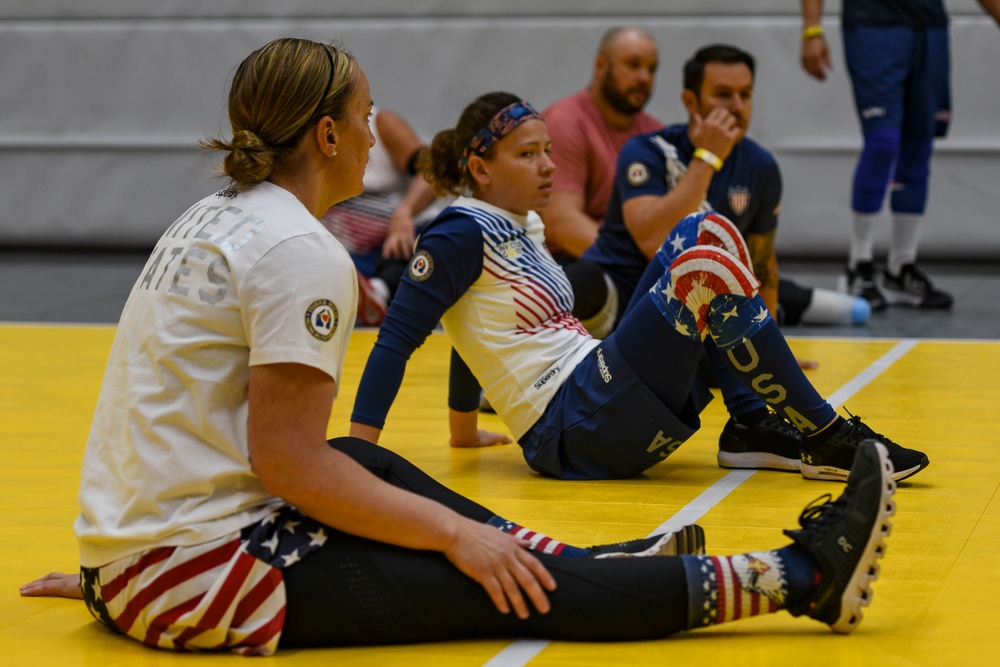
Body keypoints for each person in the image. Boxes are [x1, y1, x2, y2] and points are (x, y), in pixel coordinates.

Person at [18, 38, 903, 653]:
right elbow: (289, 465)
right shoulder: (299, 250)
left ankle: (600, 559)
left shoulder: (214, 216)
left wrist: (114, 558)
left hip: (149, 556)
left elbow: (169, 413)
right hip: (204, 574)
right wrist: (456, 535)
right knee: (505, 585)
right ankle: (796, 575)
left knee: (384, 472)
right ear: (327, 135)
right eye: (366, 118)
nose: (379, 136)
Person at [348, 91, 928, 486]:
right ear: (480, 169)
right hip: (573, 427)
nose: (549, 165)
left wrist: (463, 428)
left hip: (595, 390)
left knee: (706, 228)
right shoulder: (455, 235)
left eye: (549, 151)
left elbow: (474, 325)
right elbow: (395, 342)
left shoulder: (519, 223)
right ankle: (827, 437)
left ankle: (751, 422)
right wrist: (360, 459)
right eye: (528, 155)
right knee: (702, 269)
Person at [580, 45, 867, 473]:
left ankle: (753, 428)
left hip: (692, 320)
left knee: (767, 310)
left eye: (745, 95)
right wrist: (708, 158)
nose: (737, 107)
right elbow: (653, 239)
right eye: (722, 95)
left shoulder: (760, 166)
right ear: (691, 102)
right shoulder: (647, 151)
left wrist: (771, 346)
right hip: (624, 307)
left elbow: (763, 264)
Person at [800, 0, 1000, 310]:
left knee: (918, 145)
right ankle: (859, 265)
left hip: (928, 25)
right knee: (882, 142)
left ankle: (900, 267)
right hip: (873, 22)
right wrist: (812, 29)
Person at [540, 26, 662, 260]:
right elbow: (561, 224)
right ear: (600, 66)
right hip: (571, 265)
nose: (644, 78)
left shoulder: (656, 133)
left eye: (651, 69)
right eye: (634, 65)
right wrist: (630, 268)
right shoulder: (565, 122)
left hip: (633, 264)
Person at [320, 107, 444, 326]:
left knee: (430, 244)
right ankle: (366, 293)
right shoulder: (305, 137)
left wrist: (404, 211)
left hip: (406, 239)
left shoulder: (382, 126)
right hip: (354, 259)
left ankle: (380, 292)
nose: (370, 140)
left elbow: (435, 171)